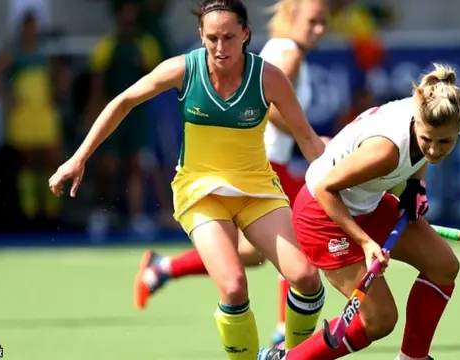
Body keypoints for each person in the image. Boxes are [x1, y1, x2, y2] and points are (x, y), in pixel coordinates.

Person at [48, 1, 327, 359]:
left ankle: (293, 354)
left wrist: (335, 190)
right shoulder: (184, 69)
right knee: (234, 286)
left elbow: (306, 139)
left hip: (257, 190)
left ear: (246, 34)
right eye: (212, 38)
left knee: (305, 277)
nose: (221, 48)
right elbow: (124, 101)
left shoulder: (268, 77)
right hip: (200, 192)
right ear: (201, 36)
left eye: (229, 37)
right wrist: (78, 157)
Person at [131, 0, 328, 346]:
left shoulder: (277, 53)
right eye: (313, 22)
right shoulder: (287, 55)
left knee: (250, 255)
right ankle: (285, 333)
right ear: (292, 18)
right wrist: (309, 136)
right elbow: (274, 112)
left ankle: (164, 269)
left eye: (323, 23)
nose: (320, 30)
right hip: (260, 163)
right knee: (297, 245)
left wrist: (307, 136)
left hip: (262, 164)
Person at [258, 63, 460, 360]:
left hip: (365, 204)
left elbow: (419, 153)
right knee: (380, 320)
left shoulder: (426, 106)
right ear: (417, 125)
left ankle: (413, 358)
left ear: (459, 130)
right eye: (427, 140)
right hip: (323, 216)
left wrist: (415, 186)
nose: (433, 150)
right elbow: (325, 189)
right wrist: (366, 243)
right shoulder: (385, 151)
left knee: (443, 266)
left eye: (444, 141)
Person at [85, 0, 162, 239]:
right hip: (113, 111)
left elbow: (154, 79)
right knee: (108, 164)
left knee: (135, 164)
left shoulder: (147, 46)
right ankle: (100, 212)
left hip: (137, 115)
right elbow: (97, 86)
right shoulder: (105, 47)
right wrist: (92, 113)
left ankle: (136, 216)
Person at [0, 10, 64, 225]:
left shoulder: (45, 51)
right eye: (27, 26)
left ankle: (51, 211)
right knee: (27, 161)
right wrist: (6, 97)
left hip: (43, 111)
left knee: (51, 158)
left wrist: (56, 91)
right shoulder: (13, 53)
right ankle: (30, 213)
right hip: (23, 113)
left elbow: (58, 75)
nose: (30, 30)